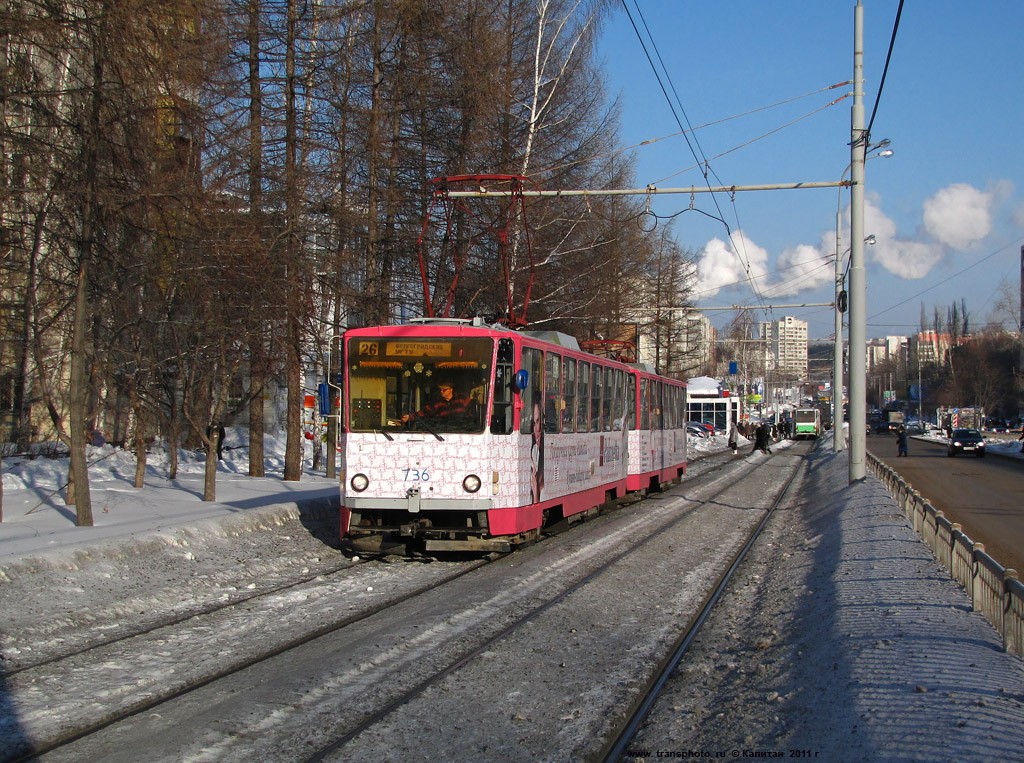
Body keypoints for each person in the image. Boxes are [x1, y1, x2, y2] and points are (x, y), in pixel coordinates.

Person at [404, 381, 472, 423]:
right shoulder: (438, 403)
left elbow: (472, 415)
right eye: (440, 389)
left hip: (461, 432)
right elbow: (425, 412)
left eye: (444, 390)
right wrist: (410, 417)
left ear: (451, 389)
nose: (441, 392)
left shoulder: (463, 399)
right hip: (443, 432)